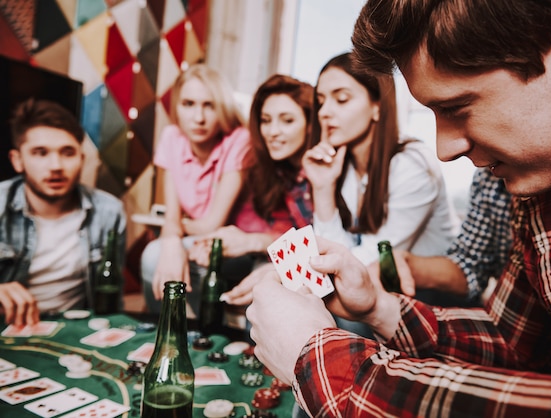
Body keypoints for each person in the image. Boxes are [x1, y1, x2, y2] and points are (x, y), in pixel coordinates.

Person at [246, 0, 551, 416]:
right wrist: (378, 306)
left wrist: (317, 359)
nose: (445, 150)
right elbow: (513, 342)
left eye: (456, 107)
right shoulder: (543, 194)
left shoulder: (424, 165)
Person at [302, 52, 459, 269]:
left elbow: (366, 263)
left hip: (434, 292)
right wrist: (322, 187)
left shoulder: (413, 165)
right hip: (376, 284)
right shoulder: (342, 166)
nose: (324, 112)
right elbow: (334, 252)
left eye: (341, 99)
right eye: (320, 101)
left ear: (377, 106)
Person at [188, 74, 315, 306]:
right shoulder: (276, 169)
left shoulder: (321, 170)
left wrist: (254, 241)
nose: (272, 131)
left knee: (267, 279)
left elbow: (320, 245)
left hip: (310, 268)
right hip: (268, 252)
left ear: (309, 125)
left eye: (287, 121)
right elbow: (283, 231)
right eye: (266, 120)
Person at [0, 98, 126, 327]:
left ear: (81, 158)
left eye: (67, 152)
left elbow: (110, 299)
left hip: (74, 330)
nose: (56, 165)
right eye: (40, 152)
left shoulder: (109, 213)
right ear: (17, 161)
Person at [140, 63, 252, 314]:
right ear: (176, 108)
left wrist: (173, 232)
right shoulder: (171, 137)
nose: (198, 118)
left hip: (235, 246)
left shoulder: (239, 139)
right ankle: (163, 335)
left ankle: (187, 331)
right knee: (159, 253)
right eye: (188, 104)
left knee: (152, 256)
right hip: (196, 241)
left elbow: (211, 225)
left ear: (222, 107)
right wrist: (171, 242)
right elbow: (171, 216)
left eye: (209, 105)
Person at [376, 167, 512, 305]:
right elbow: (470, 263)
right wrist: (406, 267)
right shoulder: (487, 179)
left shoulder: (411, 167)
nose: (445, 155)